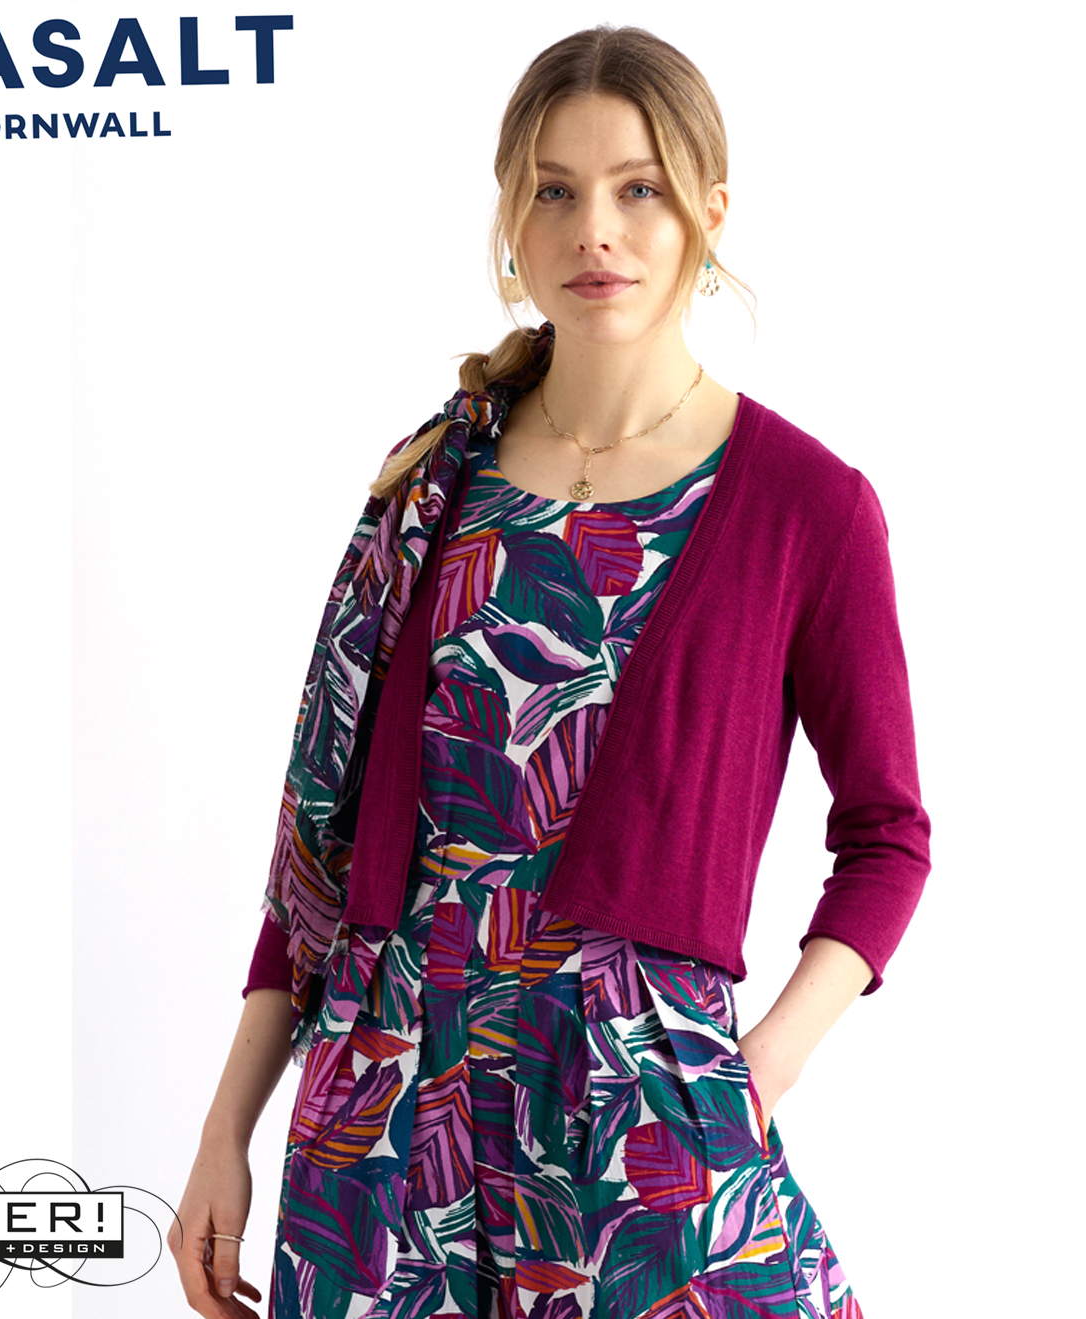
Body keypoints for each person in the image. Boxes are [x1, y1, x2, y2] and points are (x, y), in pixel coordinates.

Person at [169, 24, 929, 1319]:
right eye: (556, 191)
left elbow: (888, 838)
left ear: (709, 213)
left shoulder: (808, 508)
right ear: (511, 221)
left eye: (639, 189)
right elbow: (316, 857)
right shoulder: (430, 483)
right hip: (384, 1114)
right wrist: (222, 1132)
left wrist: (758, 1073)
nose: (597, 232)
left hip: (634, 1116)